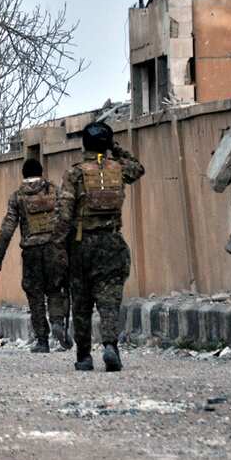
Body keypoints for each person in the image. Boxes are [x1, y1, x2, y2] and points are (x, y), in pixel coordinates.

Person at [53, 122, 144, 372]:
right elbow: (138, 168)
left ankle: (84, 356)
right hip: (112, 242)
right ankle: (111, 346)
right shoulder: (119, 168)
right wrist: (115, 148)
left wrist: (58, 246)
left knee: (81, 301)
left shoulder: (75, 174)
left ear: (84, 144)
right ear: (107, 143)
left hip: (82, 245)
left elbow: (64, 215)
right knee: (109, 300)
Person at [0, 158, 71, 353]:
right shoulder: (54, 190)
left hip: (31, 252)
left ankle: (42, 340)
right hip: (54, 248)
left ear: (23, 175)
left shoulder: (18, 196)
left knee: (35, 295)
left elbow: (8, 227)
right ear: (41, 172)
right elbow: (66, 217)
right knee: (55, 289)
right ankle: (57, 322)